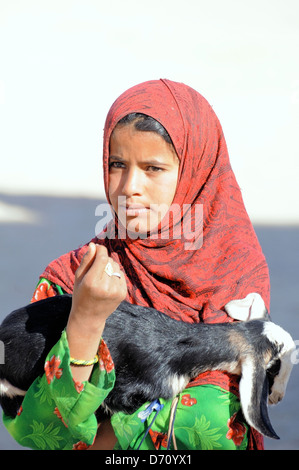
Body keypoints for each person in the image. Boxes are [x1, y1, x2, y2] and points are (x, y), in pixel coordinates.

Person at [3, 79, 270, 450]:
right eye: (117, 164)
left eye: (153, 168)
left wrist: (108, 434)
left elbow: (220, 425)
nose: (129, 186)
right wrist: (85, 320)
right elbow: (35, 430)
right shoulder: (74, 278)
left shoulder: (236, 277)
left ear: (197, 171)